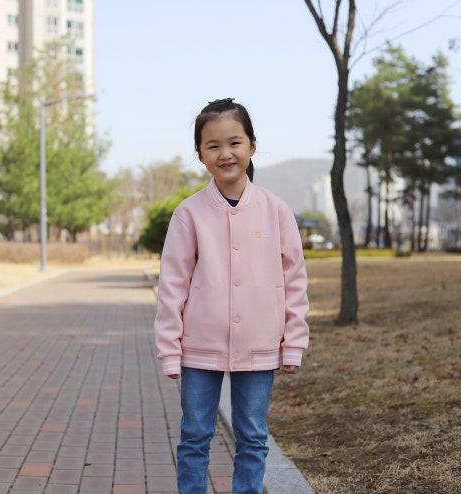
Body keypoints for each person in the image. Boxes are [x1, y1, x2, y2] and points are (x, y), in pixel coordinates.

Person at [154, 98, 310, 494]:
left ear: (252, 146)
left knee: (253, 436)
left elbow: (294, 279)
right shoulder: (189, 214)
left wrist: (294, 342)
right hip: (199, 345)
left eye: (234, 142)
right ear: (200, 155)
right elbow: (172, 284)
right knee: (195, 435)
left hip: (259, 342)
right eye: (213, 145)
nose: (225, 153)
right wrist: (169, 348)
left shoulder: (276, 211)